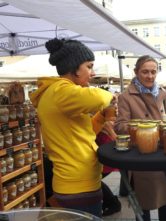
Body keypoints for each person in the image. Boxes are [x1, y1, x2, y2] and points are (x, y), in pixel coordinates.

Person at [30, 38, 114, 217]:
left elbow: (81, 131)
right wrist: (111, 97)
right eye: (89, 66)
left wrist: (100, 117)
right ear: (75, 67)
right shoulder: (61, 91)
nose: (92, 73)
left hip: (76, 182)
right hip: (77, 185)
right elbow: (99, 98)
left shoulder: (60, 94)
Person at [115, 55, 166, 221]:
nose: (150, 76)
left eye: (153, 72)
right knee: (143, 204)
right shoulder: (126, 96)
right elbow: (120, 125)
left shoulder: (162, 92)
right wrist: (144, 128)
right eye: (145, 72)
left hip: (163, 151)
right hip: (142, 156)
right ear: (136, 72)